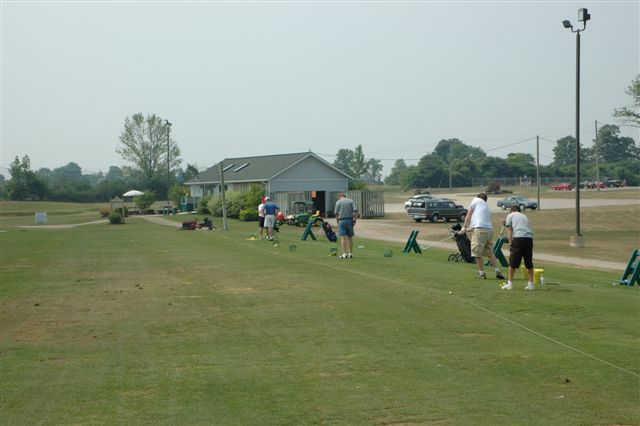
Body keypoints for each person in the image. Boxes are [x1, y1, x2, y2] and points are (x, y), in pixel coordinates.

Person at [461, 192, 505, 280]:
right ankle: (497, 271)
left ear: (478, 197)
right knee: (490, 253)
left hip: (480, 231)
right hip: (489, 231)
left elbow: (469, 214)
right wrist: (463, 231)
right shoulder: (486, 207)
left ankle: (481, 273)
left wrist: (464, 226)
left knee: (477, 253)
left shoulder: (476, 200)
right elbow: (475, 227)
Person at [501, 206, 535, 290]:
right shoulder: (524, 216)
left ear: (512, 211)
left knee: (512, 262)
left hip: (519, 238)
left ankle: (510, 284)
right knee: (528, 262)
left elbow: (509, 230)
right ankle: (531, 284)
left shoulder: (510, 215)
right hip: (529, 239)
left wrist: (510, 243)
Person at [334, 192, 357, 259]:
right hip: (350, 220)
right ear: (344, 196)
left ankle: (344, 254)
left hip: (342, 220)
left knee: (343, 237)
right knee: (350, 237)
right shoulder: (351, 201)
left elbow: (336, 213)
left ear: (339, 196)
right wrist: (355, 219)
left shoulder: (338, 202)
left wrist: (337, 221)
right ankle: (350, 253)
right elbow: (355, 211)